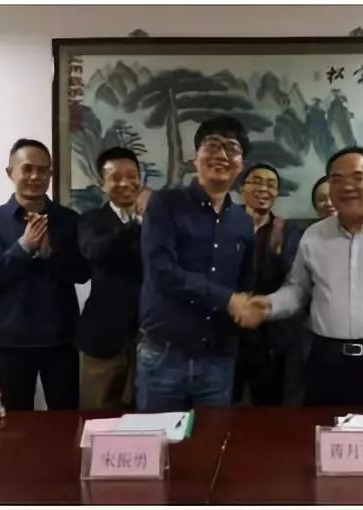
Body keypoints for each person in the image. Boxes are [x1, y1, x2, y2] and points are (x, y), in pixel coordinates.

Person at [237, 147, 363, 408]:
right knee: (324, 431)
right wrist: (268, 305)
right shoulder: (314, 235)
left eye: (357, 177)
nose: (347, 187)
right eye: (337, 179)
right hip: (326, 361)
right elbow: (298, 290)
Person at [136, 116, 255, 412]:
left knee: (212, 438)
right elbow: (162, 271)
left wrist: (251, 306)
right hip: (164, 354)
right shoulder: (165, 203)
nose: (222, 155)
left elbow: (244, 282)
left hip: (217, 359)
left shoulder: (242, 220)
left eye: (232, 149)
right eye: (212, 145)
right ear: (195, 157)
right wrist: (228, 300)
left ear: (241, 164)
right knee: (157, 436)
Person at [0, 138, 90, 411]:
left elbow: (82, 273)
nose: (35, 176)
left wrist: (51, 254)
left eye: (43, 170)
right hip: (14, 338)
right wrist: (22, 248)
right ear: (10, 173)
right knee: (17, 419)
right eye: (27, 169)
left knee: (65, 416)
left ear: (50, 174)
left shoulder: (68, 219)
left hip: (62, 337)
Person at [76, 147, 144, 410]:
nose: (125, 183)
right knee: (96, 415)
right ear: (102, 184)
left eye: (132, 176)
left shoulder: (158, 220)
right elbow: (95, 251)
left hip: (148, 338)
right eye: (116, 178)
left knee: (145, 417)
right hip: (103, 338)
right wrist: (135, 223)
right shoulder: (91, 220)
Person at [232, 163, 304, 406]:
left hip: (270, 334)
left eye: (271, 185)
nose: (263, 189)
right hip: (229, 330)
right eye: (256, 182)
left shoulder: (287, 230)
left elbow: (296, 279)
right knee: (224, 404)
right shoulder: (225, 222)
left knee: (268, 404)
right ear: (241, 188)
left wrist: (278, 252)